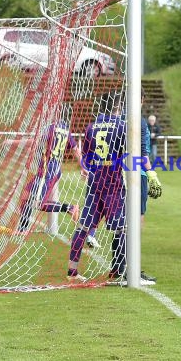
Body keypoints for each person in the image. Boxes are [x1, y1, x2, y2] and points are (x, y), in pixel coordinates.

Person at [67, 90, 157, 283]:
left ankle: (72, 272)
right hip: (113, 181)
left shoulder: (92, 126)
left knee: (83, 227)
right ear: (118, 107)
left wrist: (87, 168)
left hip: (94, 180)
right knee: (123, 228)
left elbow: (86, 156)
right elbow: (136, 153)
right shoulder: (122, 125)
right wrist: (151, 173)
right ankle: (125, 272)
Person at [0, 104, 84, 235]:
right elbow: (76, 150)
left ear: (57, 113)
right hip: (51, 170)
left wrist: (11, 142)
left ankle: (69, 208)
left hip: (46, 171)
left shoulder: (51, 128)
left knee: (38, 203)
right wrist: (83, 166)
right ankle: (22, 229)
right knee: (26, 195)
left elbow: (34, 142)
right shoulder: (66, 130)